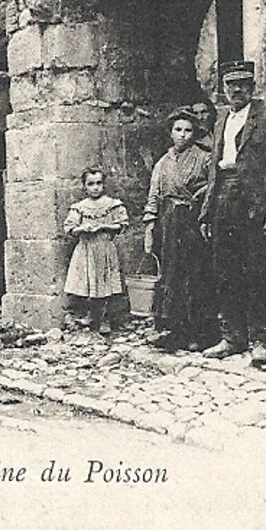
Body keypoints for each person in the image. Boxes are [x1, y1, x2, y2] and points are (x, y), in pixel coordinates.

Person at [200, 61, 266, 366]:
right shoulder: (220, 123)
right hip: (224, 201)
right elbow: (214, 173)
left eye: (243, 83)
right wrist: (207, 212)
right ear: (224, 88)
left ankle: (260, 340)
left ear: (253, 86)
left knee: (257, 272)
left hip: (256, 205)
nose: (237, 90)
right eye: (231, 84)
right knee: (225, 272)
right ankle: (232, 336)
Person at [142, 108, 217, 351]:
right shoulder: (163, 163)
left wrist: (204, 192)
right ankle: (172, 330)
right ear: (170, 132)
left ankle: (198, 332)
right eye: (178, 130)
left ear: (195, 134)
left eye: (188, 130)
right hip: (169, 222)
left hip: (194, 221)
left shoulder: (205, 157)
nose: (183, 135)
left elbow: (216, 184)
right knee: (171, 274)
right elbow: (154, 195)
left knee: (195, 274)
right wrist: (149, 228)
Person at [63, 167, 128, 337]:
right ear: (85, 186)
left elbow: (121, 225)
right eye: (91, 184)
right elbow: (69, 227)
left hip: (104, 248)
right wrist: (82, 228)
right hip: (86, 249)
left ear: (104, 184)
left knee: (104, 284)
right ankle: (91, 315)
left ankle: (105, 318)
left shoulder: (113, 204)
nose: (95, 187)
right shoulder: (79, 207)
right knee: (89, 284)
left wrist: (104, 226)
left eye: (99, 183)